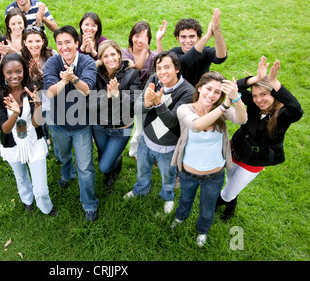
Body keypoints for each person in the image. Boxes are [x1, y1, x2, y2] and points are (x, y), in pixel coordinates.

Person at [216, 57, 303, 220]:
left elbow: (297, 110)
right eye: (255, 95)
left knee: (228, 192)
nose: (258, 100)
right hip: (236, 150)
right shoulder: (254, 104)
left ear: (275, 95)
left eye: (264, 94)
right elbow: (235, 89)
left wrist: (274, 82)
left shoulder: (283, 114)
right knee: (231, 182)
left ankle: (214, 205)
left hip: (255, 161)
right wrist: (256, 79)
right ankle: (231, 208)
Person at [170, 71, 247, 247]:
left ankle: (202, 231)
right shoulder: (185, 109)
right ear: (199, 88)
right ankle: (180, 218)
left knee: (207, 209)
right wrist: (224, 106)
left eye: (217, 92)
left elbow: (242, 119)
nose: (212, 95)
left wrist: (236, 98)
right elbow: (197, 125)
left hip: (214, 175)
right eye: (208, 89)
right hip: (188, 172)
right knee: (185, 200)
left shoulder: (221, 111)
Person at [124, 51, 195, 214]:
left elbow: (172, 122)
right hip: (146, 140)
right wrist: (148, 104)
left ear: (177, 69)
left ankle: (167, 197)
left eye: (167, 67)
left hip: (168, 147)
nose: (162, 72)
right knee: (142, 170)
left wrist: (158, 103)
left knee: (168, 177)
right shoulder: (155, 80)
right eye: (159, 68)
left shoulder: (188, 92)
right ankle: (140, 190)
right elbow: (137, 108)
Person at [43, 25, 98, 221]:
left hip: (81, 125)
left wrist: (73, 78)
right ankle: (67, 175)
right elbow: (49, 92)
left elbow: (87, 89)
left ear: (77, 43)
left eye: (68, 42)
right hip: (57, 123)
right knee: (63, 156)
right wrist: (65, 81)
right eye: (59, 43)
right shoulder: (52, 62)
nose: (64, 47)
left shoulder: (87, 62)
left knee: (85, 167)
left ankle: (89, 204)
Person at [0, 53, 57, 216]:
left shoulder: (32, 88)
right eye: (9, 72)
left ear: (24, 71)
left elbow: (36, 123)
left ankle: (45, 207)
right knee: (21, 177)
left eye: (19, 71)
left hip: (35, 140)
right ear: (3, 73)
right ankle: (27, 200)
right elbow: (4, 129)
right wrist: (15, 113)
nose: (14, 76)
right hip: (12, 143)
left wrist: (39, 104)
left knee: (41, 189)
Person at [90, 40, 141, 192]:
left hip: (122, 127)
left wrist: (118, 95)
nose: (110, 58)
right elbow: (89, 104)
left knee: (104, 165)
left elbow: (135, 104)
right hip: (100, 126)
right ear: (101, 58)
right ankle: (109, 178)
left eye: (113, 54)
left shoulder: (132, 74)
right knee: (104, 156)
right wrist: (106, 96)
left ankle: (114, 162)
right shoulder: (96, 74)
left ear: (119, 55)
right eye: (105, 56)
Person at [123, 20, 166, 157]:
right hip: (132, 97)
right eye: (137, 36)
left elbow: (163, 61)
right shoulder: (124, 54)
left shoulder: (152, 55)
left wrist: (158, 40)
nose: (139, 40)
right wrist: (144, 50)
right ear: (131, 37)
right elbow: (137, 69)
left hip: (149, 96)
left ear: (148, 39)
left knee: (151, 126)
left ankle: (148, 151)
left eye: (144, 37)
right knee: (140, 128)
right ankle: (135, 152)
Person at [169, 8, 227, 87]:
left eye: (192, 36)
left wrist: (216, 30)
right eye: (183, 37)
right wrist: (207, 36)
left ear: (198, 37)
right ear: (177, 38)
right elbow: (184, 62)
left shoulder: (205, 51)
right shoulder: (173, 53)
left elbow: (221, 57)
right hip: (180, 95)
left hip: (202, 94)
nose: (188, 41)